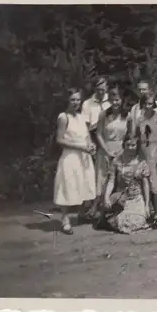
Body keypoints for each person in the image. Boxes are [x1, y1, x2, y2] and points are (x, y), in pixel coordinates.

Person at [53, 88, 97, 234]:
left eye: (78, 100)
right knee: (69, 186)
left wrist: (90, 145)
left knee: (83, 184)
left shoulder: (80, 116)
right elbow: (59, 140)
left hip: (83, 156)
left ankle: (82, 214)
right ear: (67, 100)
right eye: (72, 99)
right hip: (70, 156)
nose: (75, 103)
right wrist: (80, 147)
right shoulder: (63, 117)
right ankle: (65, 220)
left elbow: (86, 136)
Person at [95, 136, 152, 234]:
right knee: (120, 220)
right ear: (123, 145)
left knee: (135, 222)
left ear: (137, 146)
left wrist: (147, 204)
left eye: (133, 145)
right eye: (128, 145)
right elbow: (111, 181)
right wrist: (106, 198)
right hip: (121, 198)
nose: (130, 148)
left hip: (137, 198)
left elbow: (146, 184)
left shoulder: (142, 162)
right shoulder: (117, 161)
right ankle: (107, 217)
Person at [94, 86, 128, 210]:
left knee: (119, 178)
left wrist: (123, 151)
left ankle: (118, 206)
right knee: (102, 178)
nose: (115, 102)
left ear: (122, 100)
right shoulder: (103, 114)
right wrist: (107, 151)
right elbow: (98, 134)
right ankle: (96, 206)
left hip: (121, 150)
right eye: (112, 100)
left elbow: (130, 135)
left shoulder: (127, 115)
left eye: (117, 100)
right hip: (105, 149)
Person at [136, 94, 157, 227]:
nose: (148, 106)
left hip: (156, 150)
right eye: (145, 104)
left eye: (150, 104)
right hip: (144, 151)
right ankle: (146, 212)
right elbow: (138, 137)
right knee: (145, 182)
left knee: (156, 184)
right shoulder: (140, 119)